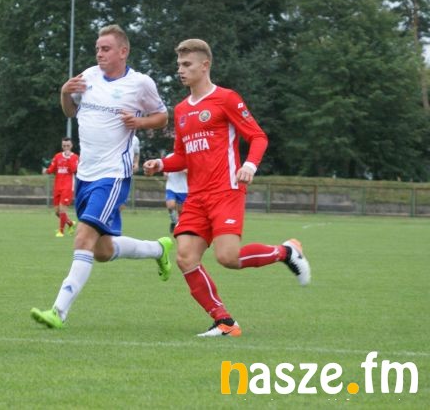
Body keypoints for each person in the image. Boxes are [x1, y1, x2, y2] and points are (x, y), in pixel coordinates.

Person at [143, 39, 310, 338]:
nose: (181, 70)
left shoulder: (227, 99)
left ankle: (286, 252)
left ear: (204, 65)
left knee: (228, 258)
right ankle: (224, 322)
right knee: (185, 258)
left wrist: (250, 165)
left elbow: (258, 137)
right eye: (179, 65)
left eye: (187, 64)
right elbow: (182, 155)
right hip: (196, 197)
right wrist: (161, 163)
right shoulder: (181, 110)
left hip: (226, 191)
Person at [31, 24, 173, 329]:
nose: (99, 53)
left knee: (83, 237)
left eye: (105, 49)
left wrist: (139, 122)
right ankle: (159, 248)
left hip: (112, 176)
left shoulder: (140, 83)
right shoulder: (88, 76)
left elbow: (162, 117)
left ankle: (58, 311)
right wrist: (64, 93)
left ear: (123, 51)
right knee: (102, 251)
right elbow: (70, 112)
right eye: (97, 48)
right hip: (85, 175)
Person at [44, 137, 79, 237]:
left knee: (63, 209)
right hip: (57, 186)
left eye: (68, 145)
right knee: (57, 212)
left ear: (71, 146)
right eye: (64, 146)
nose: (66, 148)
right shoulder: (57, 156)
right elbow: (52, 169)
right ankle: (70, 223)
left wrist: (68, 158)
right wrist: (46, 171)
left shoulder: (75, 157)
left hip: (67, 187)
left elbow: (74, 170)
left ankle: (61, 231)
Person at [162, 152, 188, 234]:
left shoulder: (188, 157)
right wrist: (165, 173)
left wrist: (184, 169)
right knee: (171, 205)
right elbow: (165, 168)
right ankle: (173, 221)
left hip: (183, 189)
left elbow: (192, 172)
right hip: (171, 186)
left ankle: (178, 227)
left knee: (180, 211)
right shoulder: (170, 156)